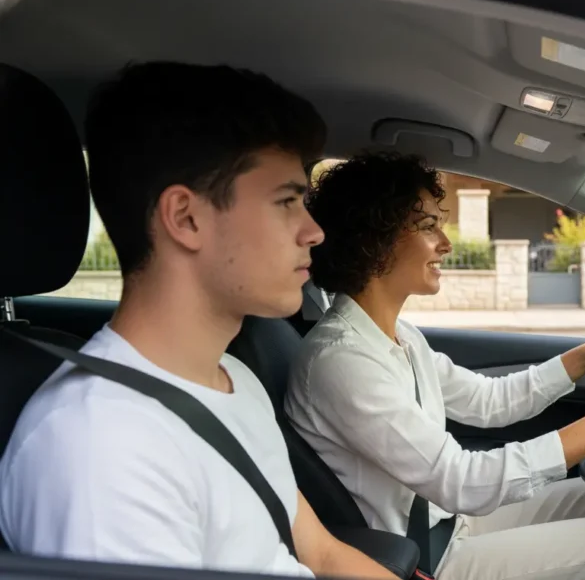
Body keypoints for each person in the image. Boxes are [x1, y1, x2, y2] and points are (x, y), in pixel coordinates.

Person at [0, 62, 397, 580]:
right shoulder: (101, 447)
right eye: (286, 202)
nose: (314, 231)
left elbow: (321, 554)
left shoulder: (235, 381)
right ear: (186, 218)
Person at [285, 151, 585, 580]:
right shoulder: (342, 361)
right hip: (416, 558)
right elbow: (460, 479)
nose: (445, 243)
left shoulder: (399, 336)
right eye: (427, 227)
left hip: (442, 523)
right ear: (374, 240)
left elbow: (488, 401)